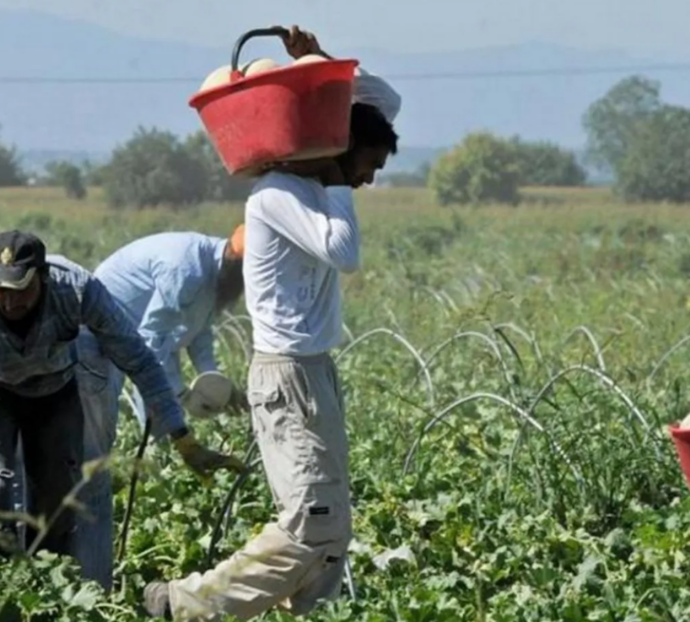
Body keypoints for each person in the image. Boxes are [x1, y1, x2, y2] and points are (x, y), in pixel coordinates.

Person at [143, 26, 401, 620]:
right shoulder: (277, 194)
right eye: (368, 164)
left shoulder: (311, 187)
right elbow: (345, 251)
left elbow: (385, 102)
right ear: (340, 151)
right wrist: (337, 180)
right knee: (313, 522)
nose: (370, 178)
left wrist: (319, 66)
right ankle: (184, 605)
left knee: (332, 531)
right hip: (286, 376)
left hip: (314, 371)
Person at [0, 230, 245, 565]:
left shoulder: (75, 289)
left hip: (57, 387)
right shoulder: (185, 270)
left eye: (22, 290)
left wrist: (182, 437)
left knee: (63, 498)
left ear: (43, 278)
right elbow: (158, 339)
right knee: (4, 490)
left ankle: (65, 593)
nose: (11, 303)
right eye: (2, 292)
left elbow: (142, 359)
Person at [72, 226, 249, 590]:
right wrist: (179, 397)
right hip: (95, 340)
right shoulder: (184, 268)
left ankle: (95, 564)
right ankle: (89, 578)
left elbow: (199, 335)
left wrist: (213, 382)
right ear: (238, 263)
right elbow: (151, 345)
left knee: (151, 428)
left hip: (129, 343)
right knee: (93, 459)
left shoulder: (214, 277)